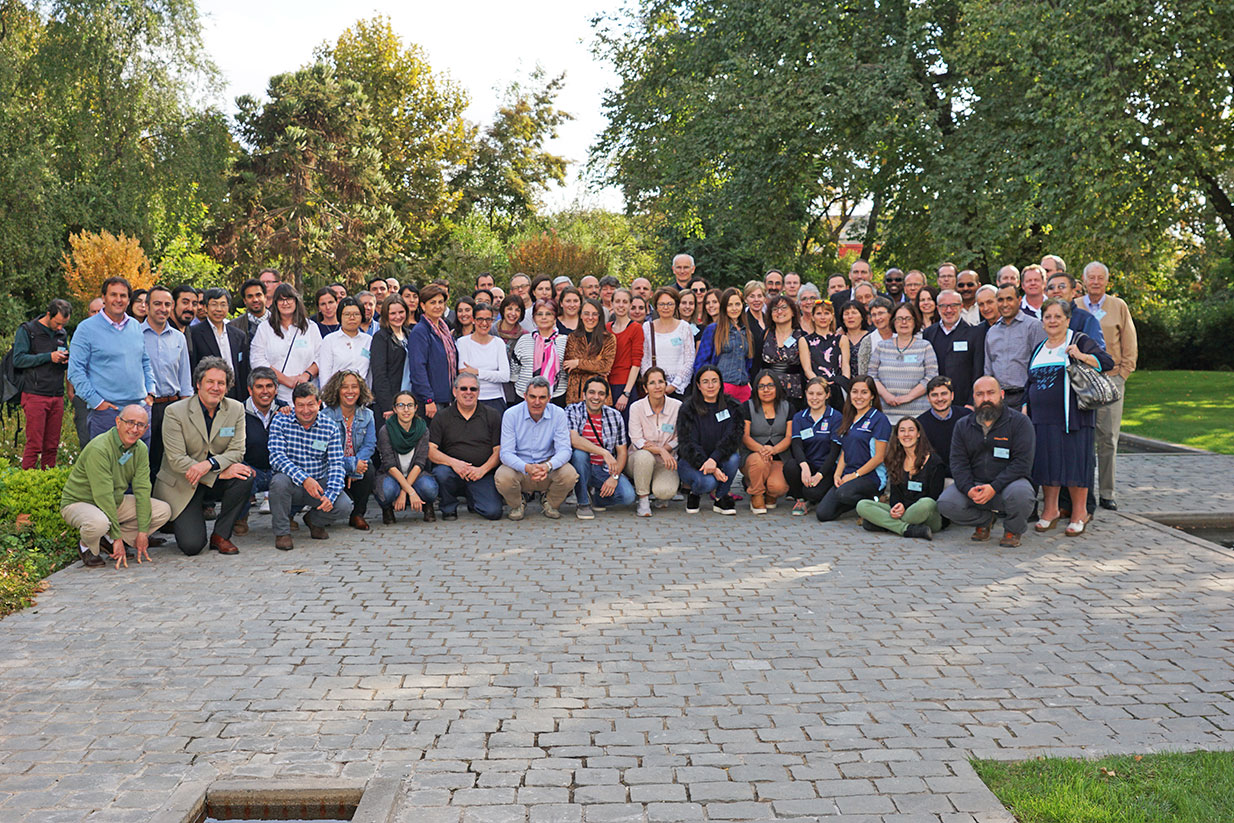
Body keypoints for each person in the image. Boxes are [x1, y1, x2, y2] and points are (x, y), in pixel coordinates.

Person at [1026, 298, 1114, 537]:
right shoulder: (1040, 347)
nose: (1052, 321)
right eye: (1048, 317)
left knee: (1076, 465)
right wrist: (1027, 405)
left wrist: (1082, 356)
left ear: (1067, 319)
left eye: (1057, 316)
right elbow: (1031, 381)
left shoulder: (1079, 340)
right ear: (1042, 321)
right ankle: (1051, 511)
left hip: (1074, 417)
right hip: (1043, 420)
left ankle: (1079, 513)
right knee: (1048, 464)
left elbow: (1107, 362)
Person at [153, 357, 253, 556]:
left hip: (210, 474)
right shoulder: (174, 412)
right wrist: (216, 474)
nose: (216, 388)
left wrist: (210, 465)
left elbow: (237, 451)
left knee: (245, 476)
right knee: (192, 546)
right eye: (210, 382)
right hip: (183, 482)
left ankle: (220, 535)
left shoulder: (236, 409)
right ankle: (183, 519)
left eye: (221, 383)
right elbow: (176, 459)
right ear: (198, 384)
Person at [60, 405, 172, 568]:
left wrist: (142, 532)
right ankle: (86, 546)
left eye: (140, 425)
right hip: (81, 502)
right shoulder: (100, 448)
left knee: (163, 511)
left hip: (114, 501)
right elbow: (102, 496)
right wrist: (117, 537)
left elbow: (142, 490)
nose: (135, 429)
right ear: (118, 422)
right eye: (130, 422)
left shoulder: (140, 448)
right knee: (99, 523)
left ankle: (107, 539)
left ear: (146, 428)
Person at [937, 376, 1035, 546]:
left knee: (1022, 496)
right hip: (975, 484)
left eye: (991, 393)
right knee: (946, 503)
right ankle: (984, 521)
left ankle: (1013, 529)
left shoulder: (1020, 422)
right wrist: (968, 489)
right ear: (973, 398)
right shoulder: (962, 425)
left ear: (1002, 394)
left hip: (1009, 484)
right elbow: (958, 463)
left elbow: (1022, 463)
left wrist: (994, 487)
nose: (986, 399)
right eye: (980, 394)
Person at [67, 277, 156, 442]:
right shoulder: (86, 329)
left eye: (123, 295)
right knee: (105, 466)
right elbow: (75, 371)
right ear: (104, 298)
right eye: (113, 294)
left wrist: (150, 392)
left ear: (128, 300)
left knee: (138, 466)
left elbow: (144, 362)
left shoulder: (135, 326)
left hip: (139, 410)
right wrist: (97, 403)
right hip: (107, 414)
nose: (118, 299)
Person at [1079, 261, 1137, 511]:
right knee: (1082, 437)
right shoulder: (1075, 306)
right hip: (1080, 379)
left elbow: (1129, 341)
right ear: (1083, 281)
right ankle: (1081, 491)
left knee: (1108, 438)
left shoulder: (1118, 306)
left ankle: (1107, 491)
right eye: (1091, 277)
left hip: (1110, 379)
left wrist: (1123, 374)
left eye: (1099, 277)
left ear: (1106, 281)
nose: (1095, 281)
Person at [267, 382, 350, 549]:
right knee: (278, 482)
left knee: (344, 506)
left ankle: (314, 521)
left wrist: (331, 495)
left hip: (319, 484)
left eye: (310, 404)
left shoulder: (330, 427)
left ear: (319, 404)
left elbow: (336, 465)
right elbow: (276, 457)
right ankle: (282, 532)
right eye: (300, 405)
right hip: (292, 484)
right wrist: (304, 479)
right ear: (293, 405)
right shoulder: (280, 420)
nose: (306, 410)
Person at [496, 376, 579, 520]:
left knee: (570, 474)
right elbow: (506, 453)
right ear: (525, 396)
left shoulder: (558, 413)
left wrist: (548, 466)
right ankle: (517, 504)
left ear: (549, 398)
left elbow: (565, 450)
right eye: (532, 396)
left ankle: (550, 502)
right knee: (503, 477)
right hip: (520, 466)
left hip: (546, 467)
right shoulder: (511, 414)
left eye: (542, 397)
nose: (537, 402)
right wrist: (526, 467)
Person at [428, 374, 504, 521]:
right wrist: (454, 463)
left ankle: (472, 498)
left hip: (481, 473)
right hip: (453, 472)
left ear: (478, 392)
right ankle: (448, 508)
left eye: (473, 389)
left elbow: (498, 450)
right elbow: (431, 450)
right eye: (463, 388)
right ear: (455, 391)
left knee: (493, 512)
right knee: (441, 473)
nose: (468, 392)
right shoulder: (442, 417)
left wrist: (482, 470)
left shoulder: (492, 415)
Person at [814, 375, 891, 522]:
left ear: (872, 396)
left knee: (844, 494)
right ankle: (863, 507)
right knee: (823, 514)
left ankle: (875, 502)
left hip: (871, 477)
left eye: (864, 392)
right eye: (854, 392)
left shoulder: (879, 419)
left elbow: (879, 457)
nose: (859, 396)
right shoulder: (848, 418)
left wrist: (854, 475)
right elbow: (845, 450)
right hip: (849, 476)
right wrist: (837, 475)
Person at [855, 417, 945, 540]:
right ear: (897, 435)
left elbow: (934, 496)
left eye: (911, 430)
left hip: (926, 514)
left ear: (918, 434)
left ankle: (884, 523)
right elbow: (895, 494)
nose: (906, 434)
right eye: (902, 430)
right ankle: (906, 529)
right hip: (904, 511)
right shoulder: (896, 460)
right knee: (862, 505)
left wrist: (904, 507)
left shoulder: (934, 462)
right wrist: (897, 505)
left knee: (927, 503)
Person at [140, 285, 194, 481]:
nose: (162, 308)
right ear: (146, 306)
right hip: (145, 406)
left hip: (173, 406)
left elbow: (185, 378)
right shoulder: (135, 335)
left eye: (167, 304)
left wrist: (188, 410)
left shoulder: (179, 338)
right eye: (157, 304)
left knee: (172, 459)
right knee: (146, 458)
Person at [676, 366, 742, 515]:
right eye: (705, 382)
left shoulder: (732, 407)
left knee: (734, 459)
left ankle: (720, 497)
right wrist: (712, 466)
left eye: (714, 381)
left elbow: (731, 438)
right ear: (698, 385)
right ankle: (695, 494)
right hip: (692, 461)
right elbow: (688, 443)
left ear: (720, 384)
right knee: (707, 482)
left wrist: (714, 459)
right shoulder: (688, 408)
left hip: (720, 457)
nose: (710, 386)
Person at [567, 375, 636, 518]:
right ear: (584, 395)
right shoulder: (572, 410)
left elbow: (622, 452)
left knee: (628, 496)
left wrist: (615, 477)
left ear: (606, 397)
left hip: (603, 468)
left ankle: (597, 498)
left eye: (601, 394)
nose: (596, 397)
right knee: (580, 454)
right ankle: (583, 503)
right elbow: (574, 439)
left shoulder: (615, 415)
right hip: (579, 466)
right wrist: (604, 452)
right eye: (592, 392)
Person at [13, 299, 71, 469]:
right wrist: (48, 357)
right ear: (48, 315)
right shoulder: (28, 330)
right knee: (34, 446)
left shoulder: (62, 334)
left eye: (64, 324)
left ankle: (48, 481)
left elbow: (61, 359)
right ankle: (27, 483)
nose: (60, 328)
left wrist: (65, 360)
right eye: (58, 323)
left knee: (52, 446)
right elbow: (18, 359)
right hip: (35, 394)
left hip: (56, 395)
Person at [320, 370, 378, 531]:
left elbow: (370, 445)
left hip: (358, 466)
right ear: (336, 390)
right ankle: (324, 513)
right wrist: (350, 465)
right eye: (345, 387)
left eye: (354, 387)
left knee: (369, 468)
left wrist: (357, 464)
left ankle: (357, 515)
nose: (350, 391)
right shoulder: (325, 416)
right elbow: (322, 451)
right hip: (332, 466)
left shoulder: (368, 415)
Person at [234, 366, 287, 535]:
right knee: (241, 476)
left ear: (276, 389)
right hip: (251, 468)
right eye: (259, 387)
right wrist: (242, 465)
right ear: (250, 389)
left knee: (294, 476)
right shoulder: (238, 411)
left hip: (277, 469)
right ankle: (240, 518)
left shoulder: (285, 410)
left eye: (269, 386)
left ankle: (289, 517)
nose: (265, 391)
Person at [250, 284, 323, 405]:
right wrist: (286, 380)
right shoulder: (265, 328)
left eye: (289, 298)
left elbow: (321, 357)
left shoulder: (311, 327)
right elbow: (256, 360)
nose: (285, 303)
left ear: (296, 300)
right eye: (281, 300)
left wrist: (306, 375)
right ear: (275, 303)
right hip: (277, 397)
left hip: (307, 397)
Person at [374, 390, 439, 523]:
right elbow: (389, 465)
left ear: (416, 408)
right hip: (392, 475)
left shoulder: (423, 429)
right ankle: (387, 509)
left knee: (429, 489)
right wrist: (411, 491)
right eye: (401, 405)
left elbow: (420, 463)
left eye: (409, 405)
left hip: (416, 475)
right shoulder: (385, 430)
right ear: (394, 409)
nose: (406, 410)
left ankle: (427, 506)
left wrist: (405, 492)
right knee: (387, 491)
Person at [869, 302, 938, 423]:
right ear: (893, 322)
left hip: (918, 415)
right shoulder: (882, 347)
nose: (904, 322)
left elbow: (931, 376)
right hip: (886, 415)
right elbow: (872, 376)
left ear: (915, 321)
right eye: (899, 319)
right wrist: (887, 396)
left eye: (908, 319)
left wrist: (908, 397)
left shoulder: (925, 346)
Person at [625, 367, 681, 517]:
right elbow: (637, 440)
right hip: (638, 460)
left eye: (661, 382)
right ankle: (643, 499)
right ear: (645, 387)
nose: (657, 386)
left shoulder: (677, 406)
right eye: (652, 383)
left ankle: (657, 492)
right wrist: (661, 450)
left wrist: (667, 449)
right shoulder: (636, 408)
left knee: (665, 492)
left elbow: (679, 437)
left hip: (665, 462)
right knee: (644, 456)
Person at [983, 284, 1047, 409]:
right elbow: (988, 368)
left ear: (1019, 300)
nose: (1005, 304)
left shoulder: (1033, 326)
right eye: (1000, 300)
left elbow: (1040, 366)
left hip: (1025, 396)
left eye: (1009, 299)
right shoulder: (992, 331)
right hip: (999, 398)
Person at [788, 377, 843, 516]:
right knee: (790, 466)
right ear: (805, 393)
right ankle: (800, 499)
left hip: (827, 468)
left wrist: (819, 475)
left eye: (819, 394)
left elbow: (834, 451)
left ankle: (812, 497)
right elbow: (796, 445)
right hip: (808, 465)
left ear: (827, 394)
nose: (814, 398)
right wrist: (804, 467)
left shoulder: (836, 417)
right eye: (811, 393)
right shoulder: (799, 417)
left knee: (812, 492)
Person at [740, 372, 793, 514]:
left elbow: (788, 437)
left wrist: (773, 450)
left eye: (770, 385)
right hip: (753, 456)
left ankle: (770, 494)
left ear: (777, 387)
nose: (766, 390)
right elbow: (745, 436)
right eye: (761, 386)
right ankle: (756, 494)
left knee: (778, 487)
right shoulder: (747, 406)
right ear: (756, 389)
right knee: (759, 461)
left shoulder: (788, 407)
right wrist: (762, 449)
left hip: (778, 457)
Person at [923, 289, 984, 408]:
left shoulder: (975, 333)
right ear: (937, 308)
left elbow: (978, 370)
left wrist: (971, 402)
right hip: (936, 401)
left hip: (964, 402)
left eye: (953, 305)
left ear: (961, 307)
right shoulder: (928, 333)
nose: (949, 310)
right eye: (944, 306)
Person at [694, 286, 754, 402]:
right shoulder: (714, 329)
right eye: (729, 305)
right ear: (724, 307)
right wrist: (706, 386)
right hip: (722, 387)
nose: (734, 308)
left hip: (743, 388)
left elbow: (747, 362)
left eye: (737, 304)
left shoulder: (746, 331)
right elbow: (701, 362)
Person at [407, 284, 458, 419]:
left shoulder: (444, 328)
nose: (437, 306)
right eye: (433, 302)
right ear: (423, 306)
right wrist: (428, 399)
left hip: (447, 397)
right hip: (431, 401)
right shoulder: (420, 331)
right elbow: (418, 368)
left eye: (441, 302)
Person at [190, 287, 249, 402]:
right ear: (206, 307)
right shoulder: (194, 333)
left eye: (223, 305)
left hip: (234, 393)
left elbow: (242, 371)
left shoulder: (238, 335)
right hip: (209, 393)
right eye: (214, 304)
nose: (219, 309)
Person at [456, 301, 511, 413]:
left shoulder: (498, 343)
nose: (484, 323)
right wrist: (493, 374)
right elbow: (464, 373)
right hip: (470, 400)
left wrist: (477, 372)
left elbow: (505, 376)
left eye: (488, 319)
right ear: (473, 320)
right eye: (480, 319)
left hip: (495, 399)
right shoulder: (463, 343)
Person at [512, 299, 569, 403]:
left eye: (548, 314)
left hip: (556, 396)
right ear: (534, 318)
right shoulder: (524, 340)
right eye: (539, 314)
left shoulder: (566, 342)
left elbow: (568, 371)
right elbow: (514, 370)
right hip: (524, 397)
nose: (544, 317)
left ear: (555, 318)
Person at [642, 289, 695, 397]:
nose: (665, 308)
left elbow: (689, 360)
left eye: (670, 304)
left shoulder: (684, 327)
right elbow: (644, 359)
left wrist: (674, 385)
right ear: (656, 306)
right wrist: (653, 384)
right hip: (655, 389)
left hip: (680, 389)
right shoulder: (648, 327)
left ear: (676, 305)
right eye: (661, 304)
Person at [916, 376, 971, 478]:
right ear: (928, 398)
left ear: (952, 395)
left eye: (944, 394)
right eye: (934, 395)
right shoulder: (920, 424)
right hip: (937, 477)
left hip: (966, 474)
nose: (940, 399)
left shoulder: (967, 416)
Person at [563, 299, 616, 405]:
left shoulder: (608, 338)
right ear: (581, 315)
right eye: (586, 313)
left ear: (600, 316)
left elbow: (605, 366)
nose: (590, 318)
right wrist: (595, 368)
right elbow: (568, 367)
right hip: (575, 395)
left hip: (599, 394)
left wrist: (578, 363)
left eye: (594, 314)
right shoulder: (572, 337)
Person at [69, 296, 104, 447]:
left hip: (108, 398)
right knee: (87, 443)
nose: (96, 314)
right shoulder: (82, 332)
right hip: (84, 398)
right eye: (93, 311)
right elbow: (74, 366)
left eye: (100, 311)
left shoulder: (118, 333)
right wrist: (71, 393)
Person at [317, 297, 372, 389]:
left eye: (356, 314)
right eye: (347, 314)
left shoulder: (369, 340)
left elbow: (370, 375)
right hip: (336, 396)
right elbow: (324, 374)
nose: (352, 318)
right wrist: (327, 400)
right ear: (340, 317)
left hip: (362, 397)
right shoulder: (330, 340)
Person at [370, 295, 410, 422]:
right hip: (389, 401)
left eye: (401, 312)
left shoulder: (410, 334)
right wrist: (388, 405)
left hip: (408, 399)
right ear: (386, 315)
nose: (398, 317)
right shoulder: (381, 337)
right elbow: (379, 373)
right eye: (393, 313)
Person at [762, 295, 806, 407]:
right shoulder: (765, 334)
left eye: (784, 307)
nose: (779, 312)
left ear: (793, 312)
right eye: (775, 309)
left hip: (794, 391)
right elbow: (757, 364)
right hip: (767, 389)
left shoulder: (802, 336)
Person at [801, 300, 845, 411]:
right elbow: (807, 369)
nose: (823, 317)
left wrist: (843, 382)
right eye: (819, 314)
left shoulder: (841, 339)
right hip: (815, 389)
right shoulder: (805, 340)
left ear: (832, 316)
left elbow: (846, 366)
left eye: (826, 313)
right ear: (812, 317)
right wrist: (820, 385)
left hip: (837, 387)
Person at [606, 288, 643, 415]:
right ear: (611, 304)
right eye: (617, 301)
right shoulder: (606, 328)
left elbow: (636, 363)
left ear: (630, 305)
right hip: (606, 386)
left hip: (625, 386)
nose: (621, 305)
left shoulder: (635, 328)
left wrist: (626, 393)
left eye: (625, 302)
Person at [1046, 272, 1105, 349]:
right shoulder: (1043, 320)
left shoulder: (1087, 319)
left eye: (1062, 286)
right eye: (1051, 288)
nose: (1056, 290)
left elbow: (1098, 356)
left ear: (1073, 292)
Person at [230, 277, 270, 354]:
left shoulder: (279, 322)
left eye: (258, 295)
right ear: (245, 300)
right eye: (250, 296)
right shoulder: (233, 327)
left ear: (265, 297)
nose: (255, 299)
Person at [856, 297, 894, 376]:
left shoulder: (902, 336)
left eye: (880, 313)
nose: (877, 318)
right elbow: (863, 373)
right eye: (873, 315)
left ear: (890, 314)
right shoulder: (867, 341)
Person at [743, 282, 769, 378]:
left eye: (759, 296)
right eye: (752, 296)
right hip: (751, 372)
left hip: (768, 371)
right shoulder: (743, 322)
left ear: (764, 298)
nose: (756, 300)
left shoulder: (769, 320)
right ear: (746, 299)